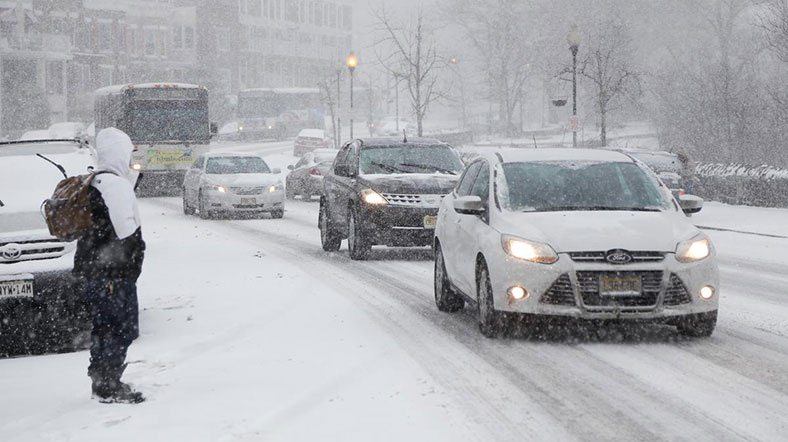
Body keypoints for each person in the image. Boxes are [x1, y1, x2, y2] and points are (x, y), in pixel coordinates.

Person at [73, 127, 145, 404]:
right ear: (118, 154)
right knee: (121, 328)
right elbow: (126, 233)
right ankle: (109, 384)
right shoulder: (114, 186)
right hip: (112, 273)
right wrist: (130, 269)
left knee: (104, 327)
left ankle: (102, 381)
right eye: (127, 153)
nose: (129, 159)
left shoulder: (96, 180)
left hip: (95, 270)